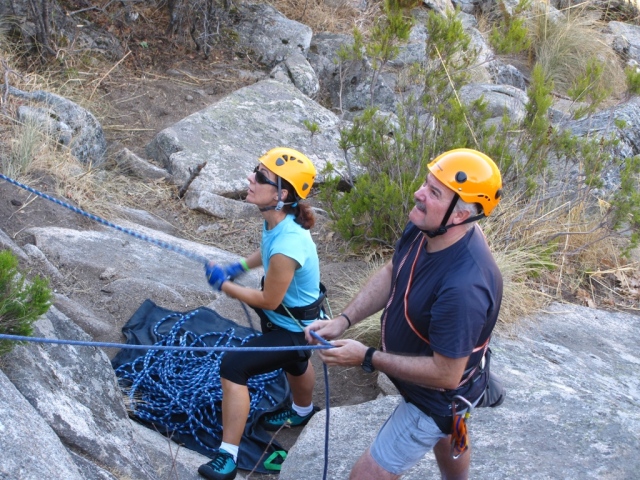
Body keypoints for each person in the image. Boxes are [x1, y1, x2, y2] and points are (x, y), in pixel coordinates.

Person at [306, 148, 504, 480]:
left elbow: (446, 374)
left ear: (460, 215)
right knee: (447, 432)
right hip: (440, 394)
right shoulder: (428, 225)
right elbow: (393, 270)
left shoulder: (464, 287)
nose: (419, 194)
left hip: (435, 397)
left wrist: (367, 356)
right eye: (427, 183)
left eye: (434, 192)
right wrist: (343, 320)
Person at [198, 147, 325, 480]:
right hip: (293, 323)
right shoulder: (277, 221)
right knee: (295, 363)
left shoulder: (288, 242)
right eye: (256, 169)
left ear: (281, 194)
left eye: (261, 177)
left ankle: (227, 458)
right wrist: (237, 267)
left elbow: (268, 299)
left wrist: (225, 285)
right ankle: (302, 411)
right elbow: (265, 251)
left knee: (234, 366)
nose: (250, 178)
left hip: (296, 329)